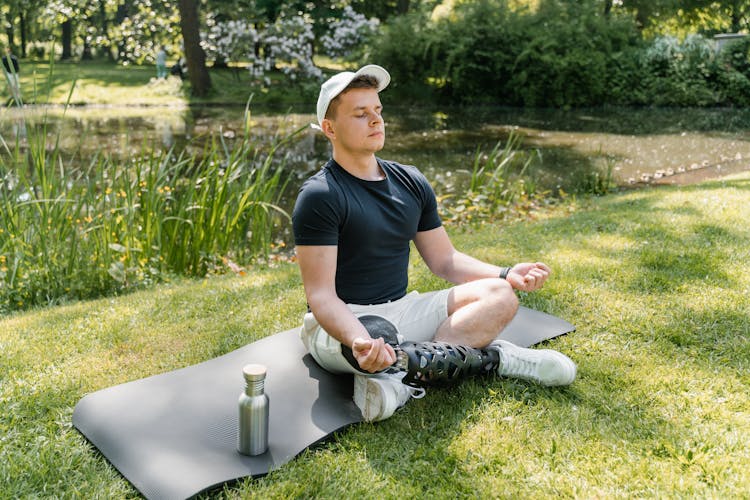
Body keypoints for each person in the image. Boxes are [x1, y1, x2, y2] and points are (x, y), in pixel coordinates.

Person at [292, 64, 576, 422]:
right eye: (361, 114)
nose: (376, 121)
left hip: (404, 312)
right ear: (330, 128)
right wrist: (359, 339)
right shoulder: (320, 196)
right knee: (379, 333)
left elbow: (444, 260)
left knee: (501, 296)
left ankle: (401, 379)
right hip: (342, 325)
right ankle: (494, 359)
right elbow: (321, 297)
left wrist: (506, 273)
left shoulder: (410, 181)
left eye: (378, 111)